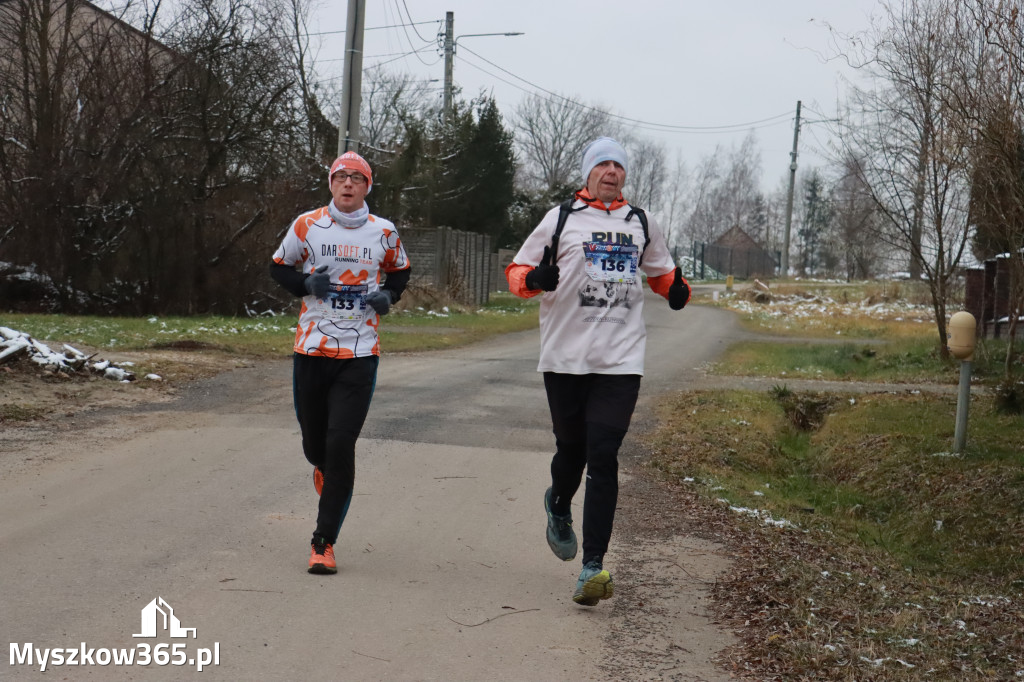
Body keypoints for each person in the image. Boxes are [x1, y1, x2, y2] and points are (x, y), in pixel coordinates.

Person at [505, 137, 690, 606]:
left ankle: (593, 567)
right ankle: (559, 503)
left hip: (621, 359)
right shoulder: (560, 219)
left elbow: (661, 272)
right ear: (588, 174)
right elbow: (517, 271)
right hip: (566, 356)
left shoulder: (642, 222)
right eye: (602, 165)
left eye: (618, 166)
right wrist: (534, 280)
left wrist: (675, 289)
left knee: (603, 453)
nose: (611, 171)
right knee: (571, 450)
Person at [270, 151, 411, 574]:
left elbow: (400, 272)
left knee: (340, 444)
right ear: (331, 184)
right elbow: (278, 267)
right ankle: (323, 470)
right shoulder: (307, 225)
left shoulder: (383, 231)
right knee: (315, 446)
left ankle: (323, 542)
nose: (348, 184)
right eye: (340, 177)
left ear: (367, 186)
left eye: (357, 177)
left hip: (359, 353)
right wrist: (303, 283)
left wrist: (390, 295)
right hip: (311, 349)